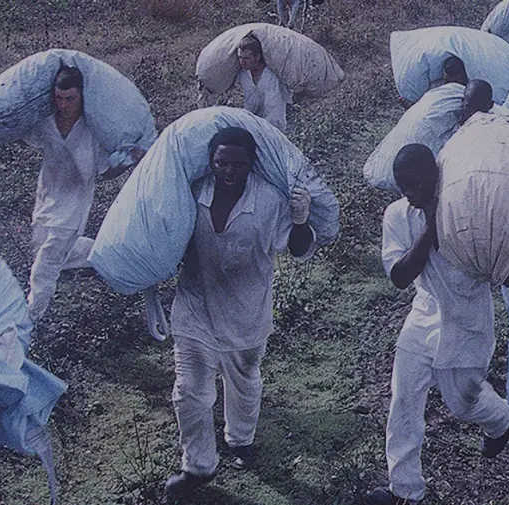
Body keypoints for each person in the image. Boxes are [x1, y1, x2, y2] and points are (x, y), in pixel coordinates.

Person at [163, 127, 316, 497]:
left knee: (243, 378)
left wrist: (299, 220)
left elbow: (298, 249)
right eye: (221, 162)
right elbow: (168, 236)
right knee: (189, 391)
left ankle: (240, 439)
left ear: (251, 164)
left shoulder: (268, 200)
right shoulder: (195, 190)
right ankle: (197, 466)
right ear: (211, 161)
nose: (228, 171)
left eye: (238, 164)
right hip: (196, 304)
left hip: (246, 308)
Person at [364, 144, 509, 505]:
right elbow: (400, 276)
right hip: (423, 316)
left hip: (469, 323)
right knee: (404, 401)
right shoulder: (398, 216)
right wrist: (430, 226)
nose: (410, 194)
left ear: (435, 176)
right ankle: (405, 490)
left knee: (463, 404)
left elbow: (496, 261)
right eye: (403, 187)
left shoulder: (466, 210)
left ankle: (501, 419)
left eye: (416, 185)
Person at [22, 66, 143, 322]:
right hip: (47, 196)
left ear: (82, 97)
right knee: (45, 251)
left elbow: (105, 171)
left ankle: (28, 320)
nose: (63, 104)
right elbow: (21, 135)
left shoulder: (93, 129)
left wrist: (127, 161)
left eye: (70, 99)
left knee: (45, 266)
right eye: (59, 98)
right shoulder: (46, 122)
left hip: (75, 204)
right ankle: (112, 253)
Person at [237, 34, 295, 132]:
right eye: (240, 57)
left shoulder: (272, 75)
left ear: (257, 57)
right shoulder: (244, 75)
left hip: (274, 128)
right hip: (252, 126)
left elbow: (273, 106)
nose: (242, 61)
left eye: (247, 58)